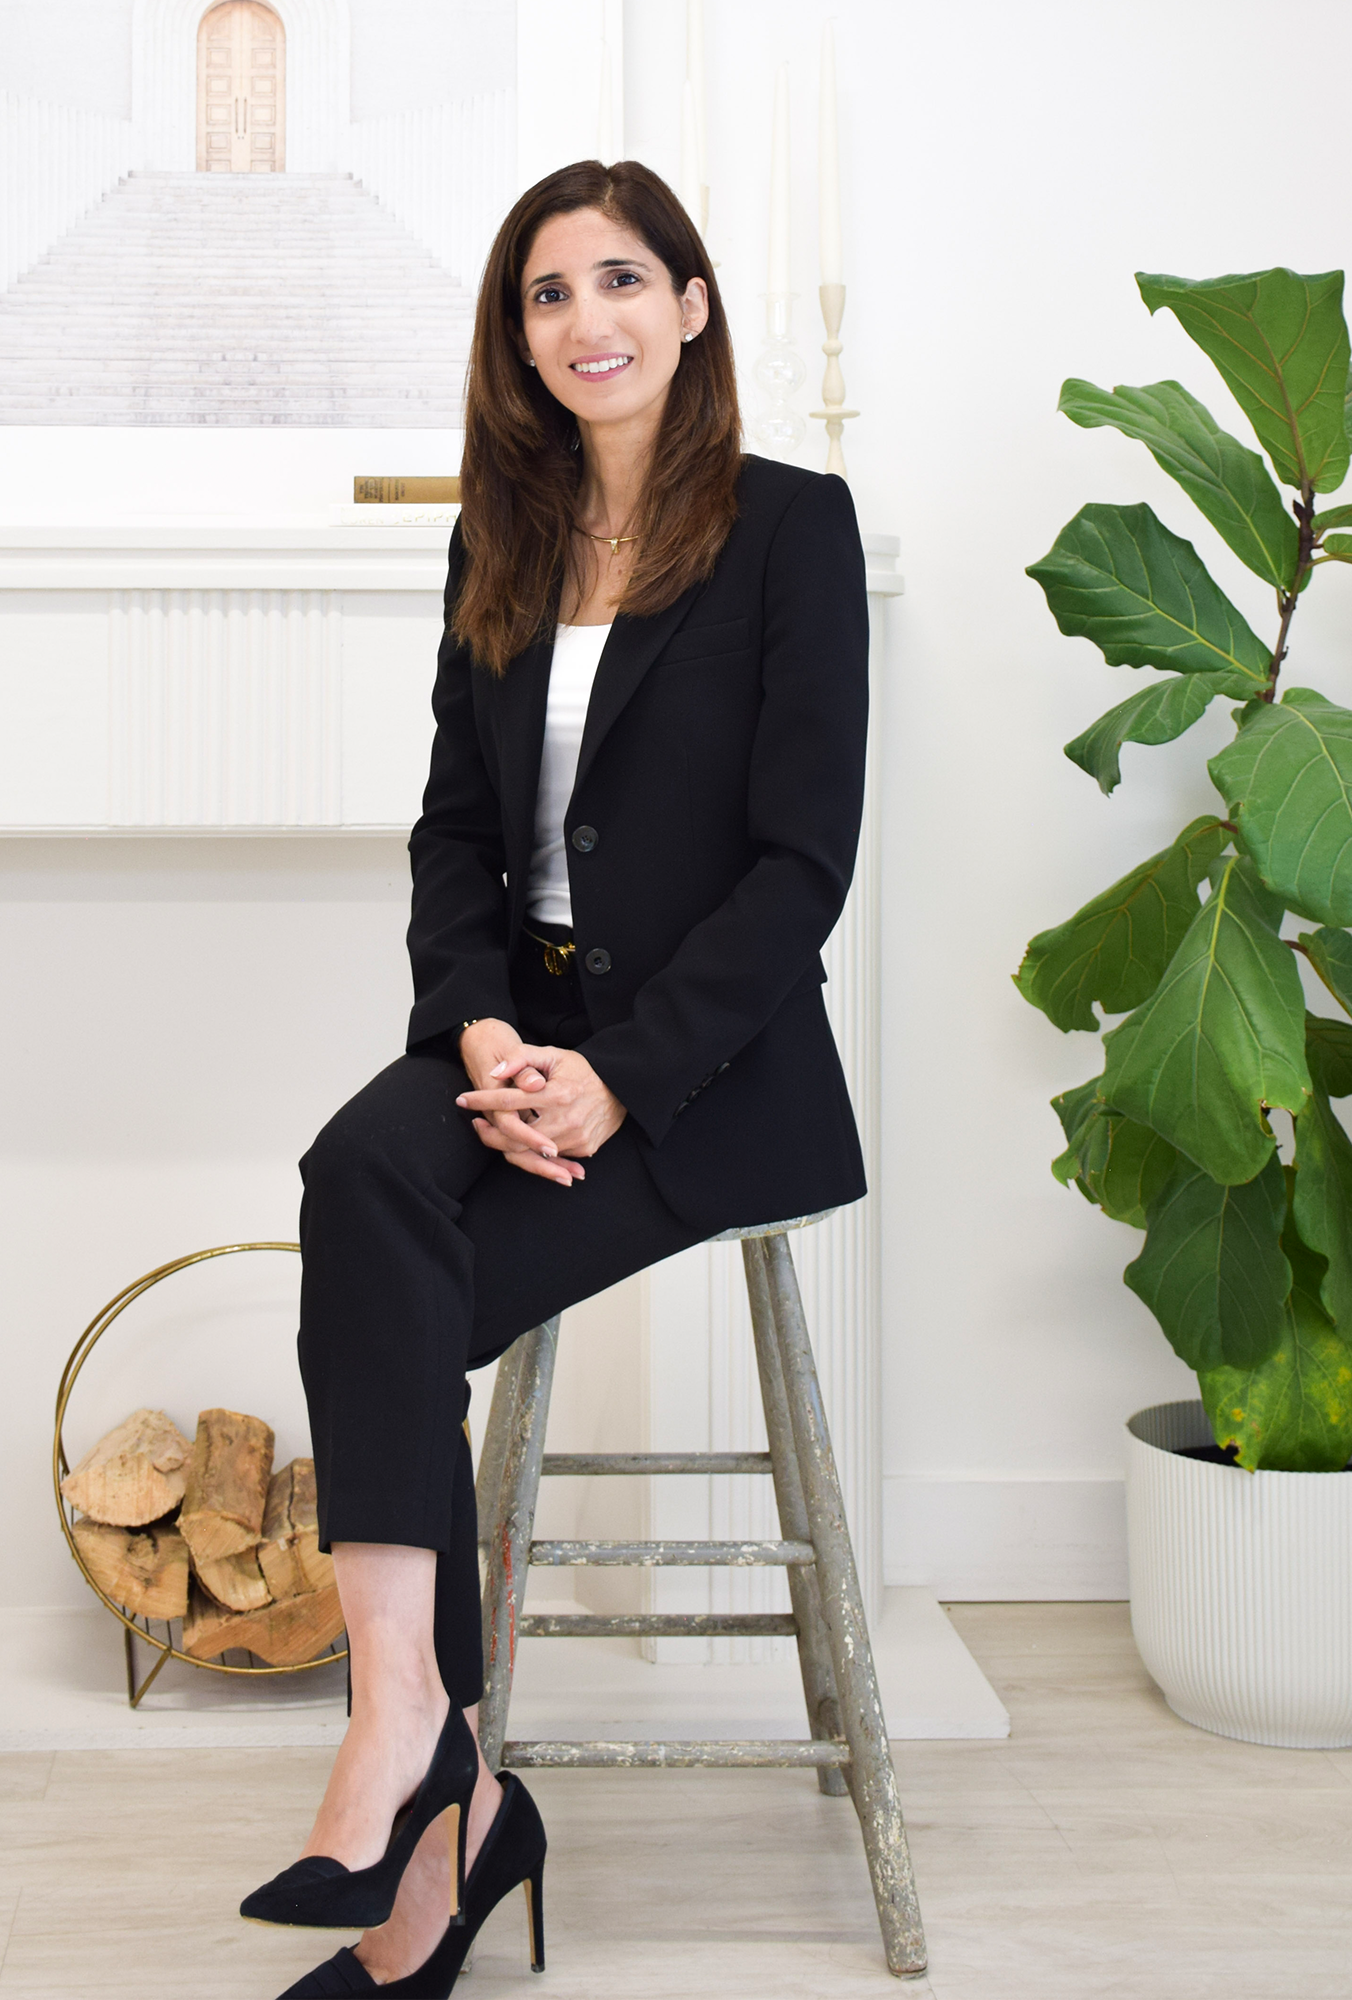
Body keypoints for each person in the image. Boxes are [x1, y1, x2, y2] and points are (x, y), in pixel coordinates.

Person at [245, 156, 871, 1998]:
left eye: (619, 282)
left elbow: (800, 868)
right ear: (516, 341)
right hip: (513, 1041)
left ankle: (424, 1818)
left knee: (378, 1292)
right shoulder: (498, 537)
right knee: (354, 1182)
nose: (584, 322)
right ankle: (424, 1734)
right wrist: (484, 1030)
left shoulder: (792, 531)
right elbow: (453, 834)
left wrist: (617, 1078)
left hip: (702, 1077)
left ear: (689, 307)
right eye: (544, 294)